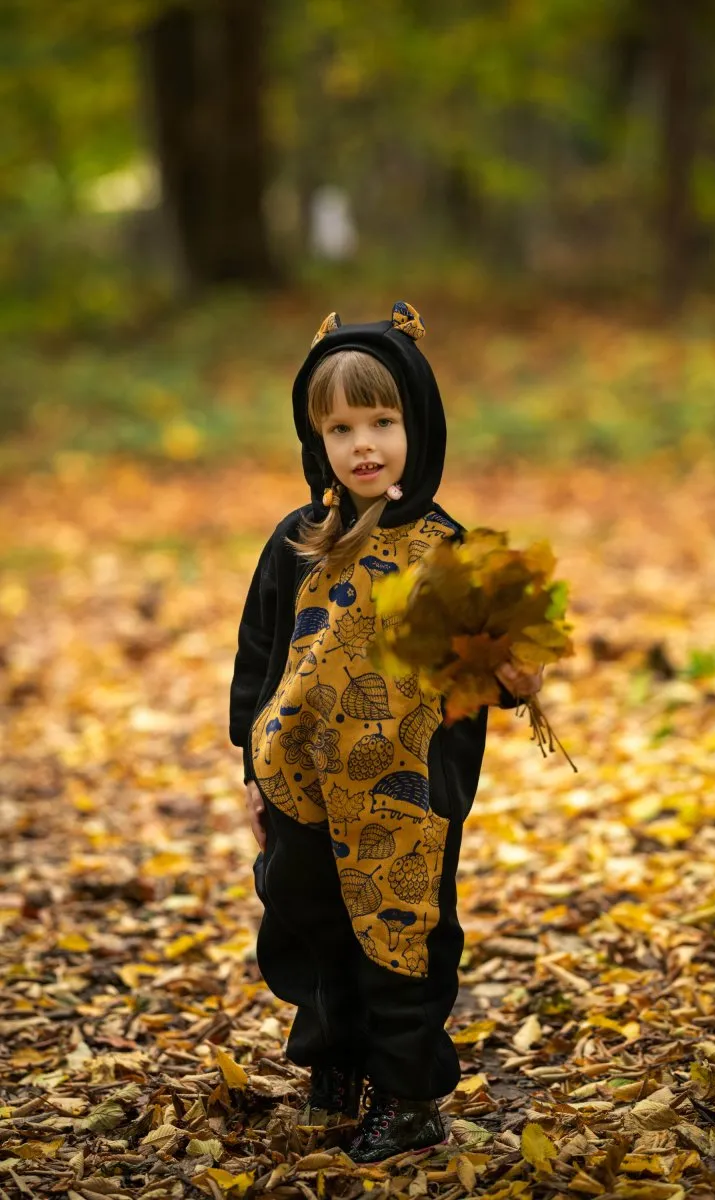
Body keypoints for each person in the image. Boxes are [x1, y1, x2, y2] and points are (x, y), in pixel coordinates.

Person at [229, 302, 542, 1162]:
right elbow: (258, 654)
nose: (364, 443)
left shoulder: (449, 552)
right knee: (309, 919)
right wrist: (249, 768)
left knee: (399, 930)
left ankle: (407, 1095)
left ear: (420, 426)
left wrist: (517, 672)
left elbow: (499, 671)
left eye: (383, 421)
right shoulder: (297, 541)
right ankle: (335, 1063)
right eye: (341, 427)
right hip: (301, 779)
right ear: (316, 438)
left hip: (408, 790)